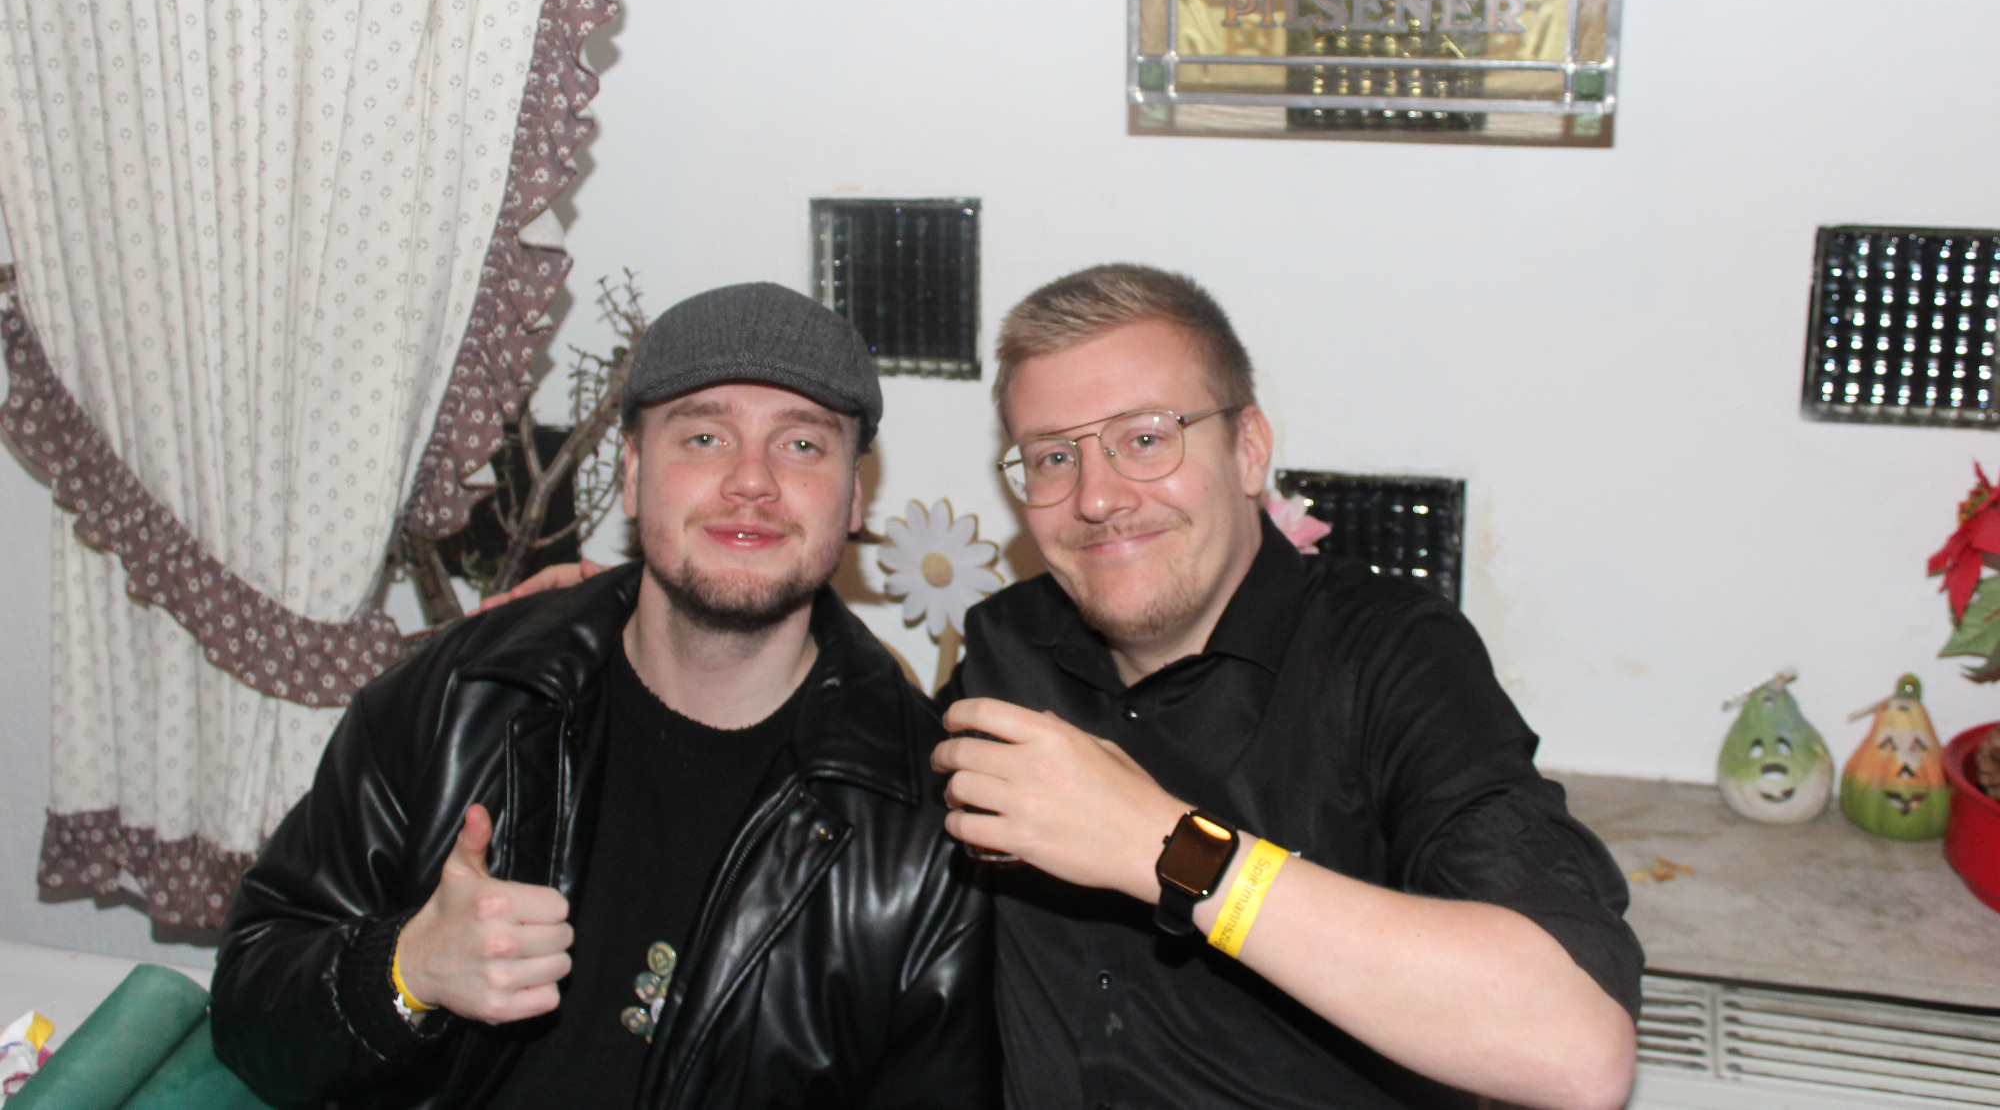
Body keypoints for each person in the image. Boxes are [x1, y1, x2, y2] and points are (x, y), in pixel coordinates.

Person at [211, 282, 997, 1110]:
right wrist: (408, 971)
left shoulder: (929, 825)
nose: (751, 481)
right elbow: (249, 1008)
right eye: (704, 436)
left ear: (854, 496)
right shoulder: (464, 695)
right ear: (632, 473)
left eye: (802, 444)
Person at [931, 264, 1641, 1110]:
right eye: (1054, 456)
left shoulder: (1390, 656)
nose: (1097, 496)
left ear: (1249, 448)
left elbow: (1575, 1048)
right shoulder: (1006, 649)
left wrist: (1164, 846)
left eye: (1146, 438)